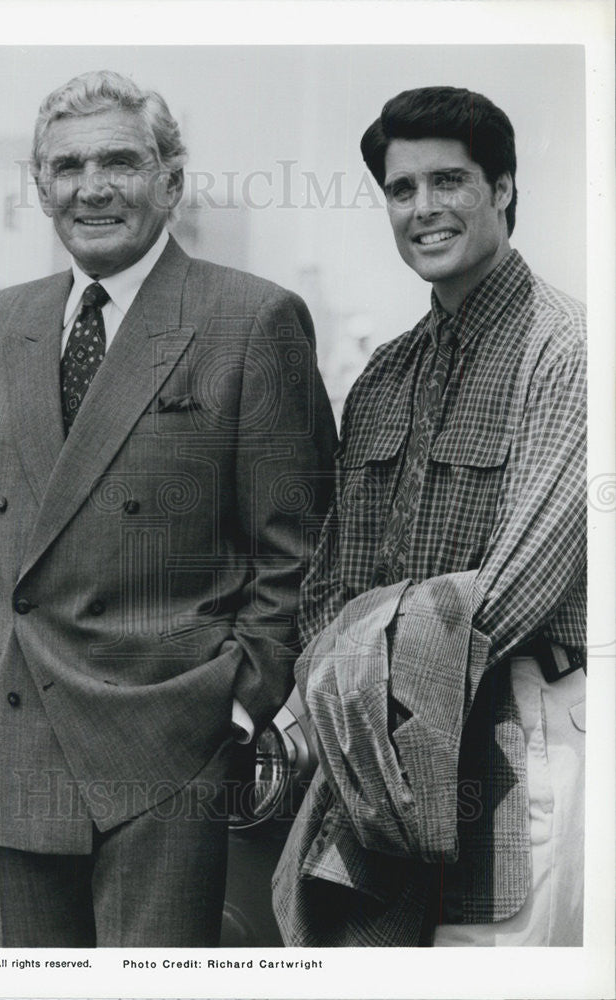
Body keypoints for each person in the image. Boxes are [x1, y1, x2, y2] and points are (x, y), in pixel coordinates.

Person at [0, 69, 337, 948]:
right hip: (22, 747)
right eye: (67, 166)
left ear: (171, 178)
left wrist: (233, 708)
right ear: (39, 185)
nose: (93, 187)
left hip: (172, 750)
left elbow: (302, 554)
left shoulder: (252, 319)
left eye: (120, 161)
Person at [273, 86, 586, 947]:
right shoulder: (385, 375)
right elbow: (330, 580)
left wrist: (348, 670)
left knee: (486, 964)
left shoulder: (569, 354)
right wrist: (337, 698)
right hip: (374, 747)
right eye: (401, 190)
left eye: (449, 181)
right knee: (352, 951)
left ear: (505, 189)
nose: (423, 209)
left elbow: (515, 590)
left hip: (516, 730)